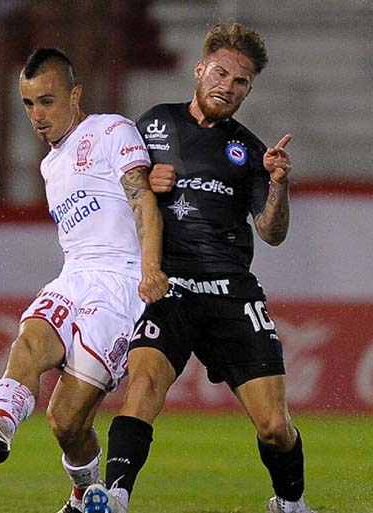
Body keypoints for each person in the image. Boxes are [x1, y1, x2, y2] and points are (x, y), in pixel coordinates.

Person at [83, 23, 315, 513]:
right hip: (171, 287)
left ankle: (289, 504)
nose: (227, 87)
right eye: (221, 73)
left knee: (274, 425)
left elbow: (272, 233)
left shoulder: (250, 151)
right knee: (143, 386)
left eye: (241, 82)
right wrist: (145, 184)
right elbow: (110, 200)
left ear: (249, 90)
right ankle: (115, 497)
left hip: (233, 293)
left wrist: (278, 184)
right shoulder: (152, 125)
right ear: (199, 69)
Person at [0, 47, 169, 513]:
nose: (37, 115)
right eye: (28, 103)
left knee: (65, 421)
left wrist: (151, 267)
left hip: (119, 286)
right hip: (72, 277)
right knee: (30, 338)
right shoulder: (49, 165)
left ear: (75, 95)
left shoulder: (110, 129)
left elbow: (142, 199)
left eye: (47, 101)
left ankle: (85, 496)